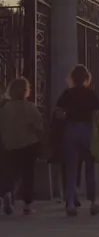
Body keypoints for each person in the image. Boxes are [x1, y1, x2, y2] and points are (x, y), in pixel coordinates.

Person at [56, 64, 99, 216]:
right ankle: (93, 202)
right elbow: (97, 114)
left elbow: (58, 111)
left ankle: (70, 203)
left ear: (72, 78)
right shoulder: (91, 94)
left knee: (71, 168)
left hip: (71, 129)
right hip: (87, 130)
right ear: (86, 78)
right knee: (89, 168)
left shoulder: (67, 93)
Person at [0, 77, 43, 215]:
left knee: (10, 173)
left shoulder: (5, 108)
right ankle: (27, 204)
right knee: (28, 174)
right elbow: (38, 126)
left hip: (10, 145)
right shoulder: (29, 107)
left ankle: (6, 193)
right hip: (28, 145)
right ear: (26, 91)